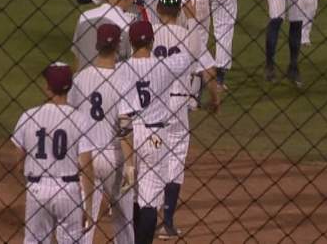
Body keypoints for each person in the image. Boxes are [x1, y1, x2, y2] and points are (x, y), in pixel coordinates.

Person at [115, 21, 218, 244]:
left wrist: (129, 161)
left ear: (131, 43)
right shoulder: (166, 66)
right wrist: (192, 22)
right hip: (155, 139)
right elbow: (191, 53)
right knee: (150, 200)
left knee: (131, 195)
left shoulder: (121, 69)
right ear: (152, 42)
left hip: (130, 136)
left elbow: (121, 114)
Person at [150, 0, 218, 240]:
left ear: (158, 9)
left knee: (153, 157)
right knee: (175, 161)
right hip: (178, 110)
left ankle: (144, 215)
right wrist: (215, 99)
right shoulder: (191, 36)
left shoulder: (149, 34)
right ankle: (167, 222)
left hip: (153, 110)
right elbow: (208, 71)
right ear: (179, 11)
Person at [12, 63, 95, 243]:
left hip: (37, 188)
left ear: (48, 87)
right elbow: (87, 166)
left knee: (35, 240)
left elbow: (19, 160)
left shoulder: (29, 116)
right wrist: (87, 206)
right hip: (68, 190)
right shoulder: (80, 119)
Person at [69, 24, 134, 244]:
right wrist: (130, 164)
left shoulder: (79, 79)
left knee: (85, 218)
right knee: (123, 220)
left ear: (97, 45)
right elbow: (125, 127)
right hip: (112, 156)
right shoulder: (123, 81)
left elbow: (68, 119)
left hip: (84, 156)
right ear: (117, 46)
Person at [72, 0, 140, 66]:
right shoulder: (129, 24)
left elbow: (77, 57)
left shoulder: (84, 16)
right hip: (112, 79)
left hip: (83, 77)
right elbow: (133, 63)